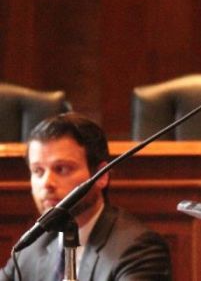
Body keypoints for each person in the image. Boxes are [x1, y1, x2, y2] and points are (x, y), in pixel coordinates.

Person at [1, 112, 172, 280]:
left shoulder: (138, 249)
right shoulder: (31, 248)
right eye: (38, 171)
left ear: (101, 176)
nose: (46, 183)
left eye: (62, 169)